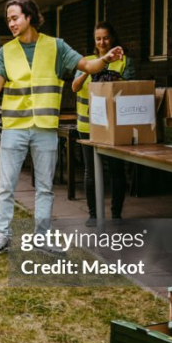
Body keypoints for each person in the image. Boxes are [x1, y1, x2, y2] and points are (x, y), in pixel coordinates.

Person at [0, 0, 124, 254]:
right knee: (6, 186)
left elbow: (88, 65)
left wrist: (105, 58)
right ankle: (2, 235)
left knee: (45, 188)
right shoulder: (6, 52)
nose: (11, 23)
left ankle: (43, 239)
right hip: (14, 128)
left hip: (44, 128)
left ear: (29, 16)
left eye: (14, 17)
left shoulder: (56, 47)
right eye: (8, 19)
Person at [71, 21, 135, 227]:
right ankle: (93, 215)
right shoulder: (85, 61)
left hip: (113, 126)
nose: (102, 41)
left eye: (105, 37)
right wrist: (90, 69)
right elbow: (74, 87)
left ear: (112, 38)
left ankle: (116, 214)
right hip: (87, 126)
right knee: (91, 172)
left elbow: (132, 90)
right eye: (98, 38)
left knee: (116, 170)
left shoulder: (124, 61)